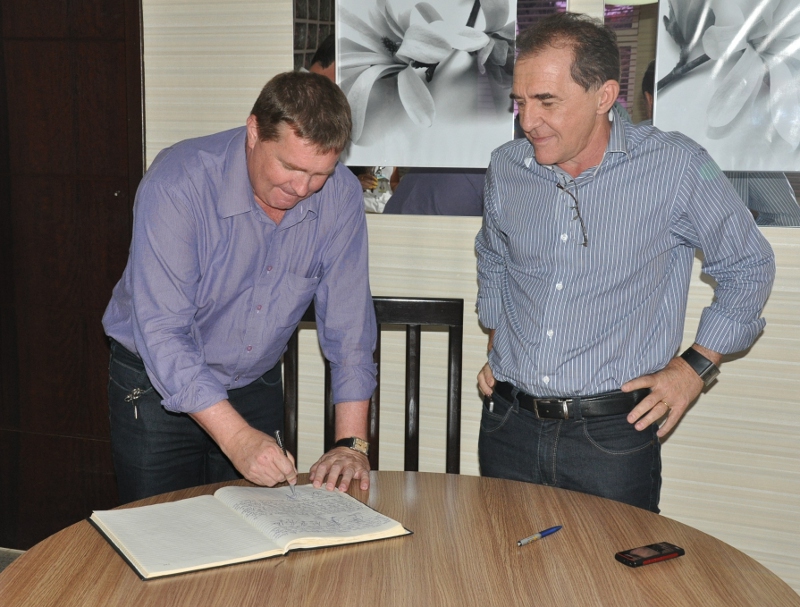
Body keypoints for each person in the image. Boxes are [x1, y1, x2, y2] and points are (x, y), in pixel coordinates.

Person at [475, 13, 775, 512]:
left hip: (611, 437)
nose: (528, 121)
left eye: (547, 101)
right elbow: (494, 254)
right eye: (521, 101)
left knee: (612, 566)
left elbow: (748, 265)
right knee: (503, 559)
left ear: (604, 96)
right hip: (508, 424)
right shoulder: (507, 167)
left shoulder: (676, 166)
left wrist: (694, 369)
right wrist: (497, 335)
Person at [103, 71, 377, 503]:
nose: (302, 188)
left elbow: (350, 327)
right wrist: (236, 438)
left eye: (319, 173)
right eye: (290, 167)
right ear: (254, 132)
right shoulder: (178, 184)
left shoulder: (339, 195)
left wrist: (351, 445)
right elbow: (163, 332)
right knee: (162, 529)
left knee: (258, 532)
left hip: (254, 382)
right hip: (156, 384)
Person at [641, 59, 800, 227]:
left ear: (649, 100)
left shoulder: (625, 144)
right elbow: (789, 219)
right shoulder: (746, 141)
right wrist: (742, 235)